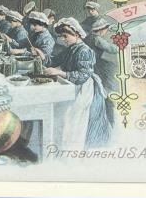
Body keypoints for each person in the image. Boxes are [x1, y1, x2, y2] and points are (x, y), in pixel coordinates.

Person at [44, 18, 113, 148]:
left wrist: (60, 73)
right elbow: (54, 60)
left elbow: (83, 75)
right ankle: (61, 145)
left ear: (76, 34)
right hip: (72, 85)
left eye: (65, 36)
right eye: (61, 36)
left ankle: (71, 148)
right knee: (62, 115)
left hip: (84, 89)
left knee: (73, 118)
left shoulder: (84, 51)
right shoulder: (70, 48)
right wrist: (43, 57)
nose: (63, 39)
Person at [83, 15, 119, 96]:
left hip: (87, 62)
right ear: (101, 30)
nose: (106, 32)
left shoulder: (87, 37)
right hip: (94, 63)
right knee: (109, 70)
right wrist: (120, 48)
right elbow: (110, 48)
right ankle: (107, 93)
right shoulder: (97, 39)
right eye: (105, 30)